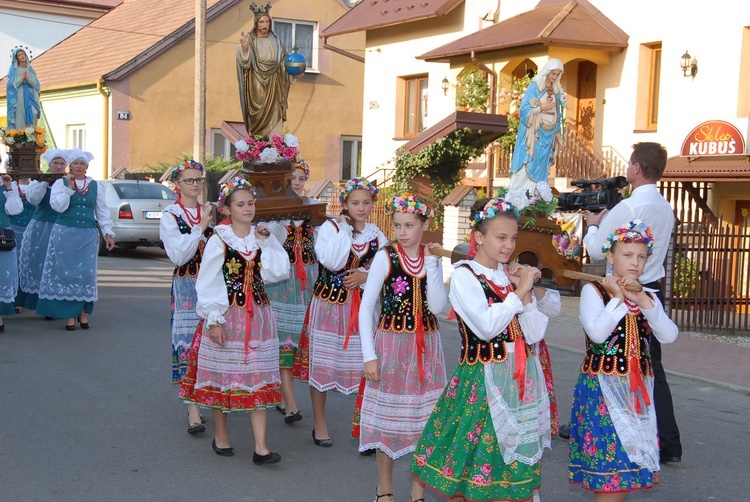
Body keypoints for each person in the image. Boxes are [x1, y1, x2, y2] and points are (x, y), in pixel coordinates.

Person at [410, 197, 551, 502]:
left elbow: (536, 332)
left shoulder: (508, 277)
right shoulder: (465, 276)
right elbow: (487, 327)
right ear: (479, 237)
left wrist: (522, 294)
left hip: (519, 382)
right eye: (501, 237)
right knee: (478, 467)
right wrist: (521, 291)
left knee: (514, 467)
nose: (508, 245)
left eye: (513, 238)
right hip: (483, 381)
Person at [581, 142, 682, 463]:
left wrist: (594, 224)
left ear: (636, 169)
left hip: (620, 288)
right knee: (650, 365)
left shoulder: (627, 208)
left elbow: (598, 249)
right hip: (650, 288)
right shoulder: (666, 207)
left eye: (629, 165)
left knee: (609, 359)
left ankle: (609, 426)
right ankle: (666, 440)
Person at [179, 177, 290, 464]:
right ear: (227, 208)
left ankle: (261, 447)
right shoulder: (220, 239)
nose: (247, 208)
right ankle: (221, 436)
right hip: (230, 316)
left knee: (259, 377)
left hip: (260, 317)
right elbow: (209, 281)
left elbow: (278, 272)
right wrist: (214, 320)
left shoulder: (261, 236)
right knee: (222, 377)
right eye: (240, 204)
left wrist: (268, 243)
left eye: (251, 203)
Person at [569, 220, 678, 500]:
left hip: (637, 392)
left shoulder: (647, 295)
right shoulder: (594, 291)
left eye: (641, 257)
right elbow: (596, 333)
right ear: (610, 257)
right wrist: (617, 299)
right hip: (603, 389)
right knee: (611, 471)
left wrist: (643, 300)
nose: (635, 263)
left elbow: (668, 335)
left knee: (627, 470)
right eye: (627, 255)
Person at [358, 193, 447, 502]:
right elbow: (366, 306)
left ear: (425, 224)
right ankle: (384, 488)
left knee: (425, 422)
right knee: (388, 421)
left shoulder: (431, 256)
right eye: (398, 226)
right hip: (392, 346)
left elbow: (436, 306)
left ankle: (417, 491)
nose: (403, 232)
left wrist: (434, 265)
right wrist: (369, 355)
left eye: (410, 225)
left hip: (427, 349)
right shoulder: (386, 256)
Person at [293, 177, 387, 447]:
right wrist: (345, 231)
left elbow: (386, 269)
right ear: (344, 203)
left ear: (372, 204)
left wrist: (365, 276)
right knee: (323, 365)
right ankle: (320, 424)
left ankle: (365, 425)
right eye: (355, 202)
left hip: (361, 309)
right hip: (329, 306)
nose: (361, 207)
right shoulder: (331, 228)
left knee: (367, 364)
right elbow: (332, 262)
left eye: (366, 202)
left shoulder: (376, 234)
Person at [159, 160, 214, 435]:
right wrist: (201, 226)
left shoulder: (212, 210)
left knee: (210, 341)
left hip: (214, 283)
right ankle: (192, 408)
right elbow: (179, 255)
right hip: (187, 284)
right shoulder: (170, 215)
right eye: (189, 180)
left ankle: (206, 397)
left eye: (199, 180)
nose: (195, 185)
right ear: (177, 185)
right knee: (188, 343)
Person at [36, 149, 115, 330]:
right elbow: (58, 207)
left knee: (86, 275)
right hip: (64, 233)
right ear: (70, 165)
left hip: (87, 234)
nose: (79, 166)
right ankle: (71, 314)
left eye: (82, 163)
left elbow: (102, 212)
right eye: (76, 163)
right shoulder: (60, 184)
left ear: (87, 166)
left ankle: (82, 311)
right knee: (66, 274)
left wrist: (108, 233)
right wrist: (69, 188)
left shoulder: (96, 186)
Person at [265, 159, 317, 424]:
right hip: (281, 281)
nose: (296, 183)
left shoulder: (311, 209)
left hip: (307, 278)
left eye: (300, 178)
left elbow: (320, 245)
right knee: (284, 340)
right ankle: (291, 405)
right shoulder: (275, 211)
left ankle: (284, 397)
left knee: (299, 340)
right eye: (291, 179)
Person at [17, 149, 67, 311]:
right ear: (49, 164)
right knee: (37, 262)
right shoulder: (38, 181)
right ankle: (31, 300)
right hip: (41, 226)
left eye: (62, 164)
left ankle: (52, 303)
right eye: (55, 163)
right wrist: (45, 182)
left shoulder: (68, 181)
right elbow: (33, 200)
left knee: (57, 265)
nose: (58, 167)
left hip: (60, 228)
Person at [509, 58, 566, 196]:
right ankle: (520, 195)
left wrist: (558, 133)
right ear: (547, 71)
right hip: (533, 134)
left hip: (548, 135)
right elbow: (524, 111)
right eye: (553, 73)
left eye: (558, 74)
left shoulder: (556, 90)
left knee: (541, 166)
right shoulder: (535, 86)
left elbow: (558, 114)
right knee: (529, 162)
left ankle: (536, 196)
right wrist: (541, 107)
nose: (555, 77)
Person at [236, 2, 292, 137]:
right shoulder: (250, 40)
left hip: (274, 83)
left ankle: (275, 147)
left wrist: (294, 72)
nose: (265, 25)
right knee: (257, 115)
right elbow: (244, 63)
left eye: (267, 21)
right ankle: (257, 145)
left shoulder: (276, 41)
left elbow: (284, 61)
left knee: (275, 115)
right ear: (256, 23)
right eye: (261, 22)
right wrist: (244, 49)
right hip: (256, 82)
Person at [0, 174, 24, 332]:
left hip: (3, 233)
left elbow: (15, 210)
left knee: (5, 276)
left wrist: (9, 188)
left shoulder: (7, 184)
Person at [6, 47, 41, 130]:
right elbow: (10, 85)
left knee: (34, 112)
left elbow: (36, 84)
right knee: (20, 115)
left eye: (23, 54)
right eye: (19, 55)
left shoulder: (30, 70)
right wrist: (21, 79)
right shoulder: (13, 70)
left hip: (30, 96)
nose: (22, 56)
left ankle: (31, 134)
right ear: (16, 58)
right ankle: (20, 135)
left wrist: (28, 79)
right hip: (19, 96)